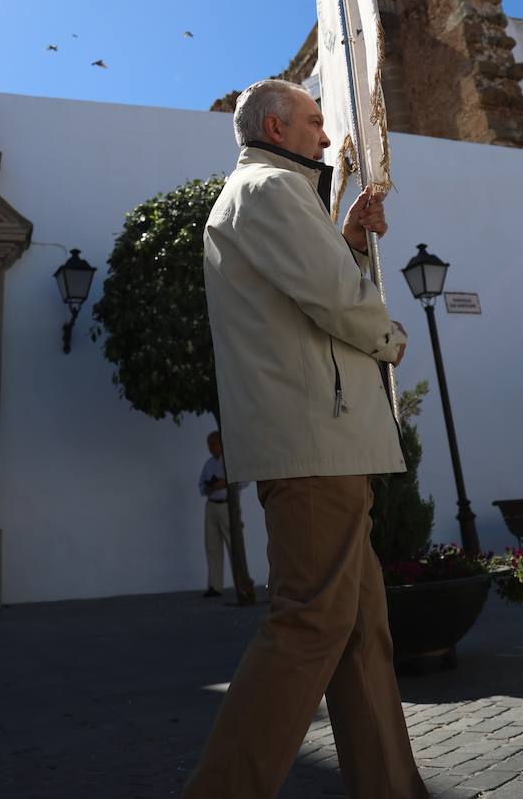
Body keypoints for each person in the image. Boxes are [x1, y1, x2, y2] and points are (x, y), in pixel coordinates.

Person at [183, 79, 427, 799]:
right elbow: (333, 298)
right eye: (315, 122)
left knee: (360, 632)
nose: (326, 136)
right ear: (275, 128)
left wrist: (345, 241)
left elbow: (308, 283)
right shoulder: (270, 190)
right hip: (314, 443)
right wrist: (390, 338)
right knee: (311, 626)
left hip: (326, 442)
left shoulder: (275, 195)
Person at [198, 430, 233, 597]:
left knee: (233, 545)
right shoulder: (209, 464)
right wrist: (208, 487)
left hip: (227, 505)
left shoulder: (230, 461)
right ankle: (215, 585)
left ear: (221, 443)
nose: (210, 447)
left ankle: (240, 582)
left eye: (213, 444)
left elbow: (243, 482)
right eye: (209, 445)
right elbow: (200, 485)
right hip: (211, 505)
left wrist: (224, 483)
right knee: (212, 546)